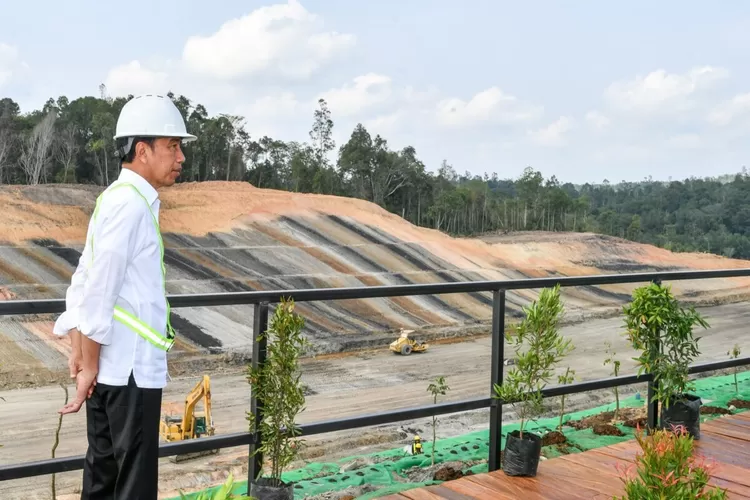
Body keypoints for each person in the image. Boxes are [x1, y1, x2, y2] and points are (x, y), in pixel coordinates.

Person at [53, 94, 197, 499]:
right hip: (128, 370)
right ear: (142, 150)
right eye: (172, 146)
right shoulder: (130, 206)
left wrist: (84, 358)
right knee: (131, 485)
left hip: (111, 370)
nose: (180, 156)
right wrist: (86, 365)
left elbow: (85, 279)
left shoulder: (119, 200)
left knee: (103, 479)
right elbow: (98, 287)